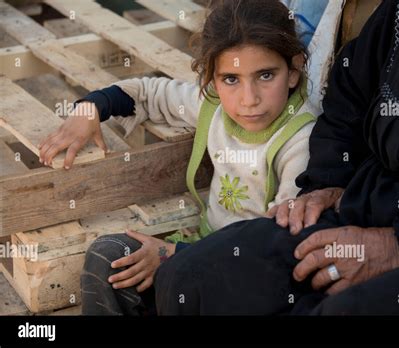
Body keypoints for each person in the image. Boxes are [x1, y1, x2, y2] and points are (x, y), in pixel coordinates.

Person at [152, 0, 399, 315]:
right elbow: (348, 99)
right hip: (368, 203)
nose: (248, 100)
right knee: (189, 279)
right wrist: (326, 183)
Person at [38, 0, 318, 314]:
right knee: (109, 256)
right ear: (212, 80)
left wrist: (175, 253)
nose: (248, 99)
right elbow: (147, 93)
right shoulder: (214, 105)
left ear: (293, 71)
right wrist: (90, 110)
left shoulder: (301, 139)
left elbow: (277, 245)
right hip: (197, 249)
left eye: (265, 76)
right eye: (231, 79)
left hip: (251, 276)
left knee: (180, 280)